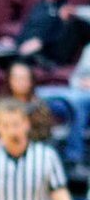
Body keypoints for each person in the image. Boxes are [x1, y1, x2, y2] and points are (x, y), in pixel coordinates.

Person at [38, 41, 90, 176]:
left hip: (83, 96)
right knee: (38, 93)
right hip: (78, 89)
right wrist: (80, 82)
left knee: (75, 102)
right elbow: (75, 77)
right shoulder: (88, 48)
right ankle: (37, 146)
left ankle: (74, 156)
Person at [0, 60, 54, 147]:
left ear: (31, 81)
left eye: (24, 78)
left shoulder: (38, 105)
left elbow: (45, 133)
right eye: (17, 79)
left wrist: (14, 137)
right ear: (10, 81)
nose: (21, 82)